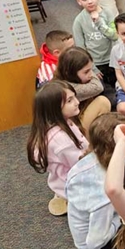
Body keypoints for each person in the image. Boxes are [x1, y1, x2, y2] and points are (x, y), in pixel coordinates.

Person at [66, 112, 125, 249]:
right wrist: (121, 219)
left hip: (103, 219)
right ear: (114, 148)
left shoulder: (93, 158)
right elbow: (95, 242)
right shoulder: (105, 196)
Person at [27, 80, 89, 216]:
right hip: (74, 180)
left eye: (74, 97)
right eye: (69, 101)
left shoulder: (60, 123)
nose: (77, 102)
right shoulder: (61, 140)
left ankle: (63, 196)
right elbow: (81, 165)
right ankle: (69, 199)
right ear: (54, 108)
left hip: (62, 177)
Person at [72, 0, 118, 89]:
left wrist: (99, 23)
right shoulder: (78, 21)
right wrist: (92, 67)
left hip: (112, 59)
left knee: (119, 86)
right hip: (95, 63)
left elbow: (114, 36)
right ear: (79, 1)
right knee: (100, 90)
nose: (90, 1)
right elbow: (80, 48)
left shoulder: (108, 13)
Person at [54, 46, 111, 134]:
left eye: (91, 70)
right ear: (69, 73)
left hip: (74, 124)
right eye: (86, 72)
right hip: (70, 131)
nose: (91, 75)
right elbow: (98, 87)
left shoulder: (64, 77)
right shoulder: (68, 87)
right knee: (103, 102)